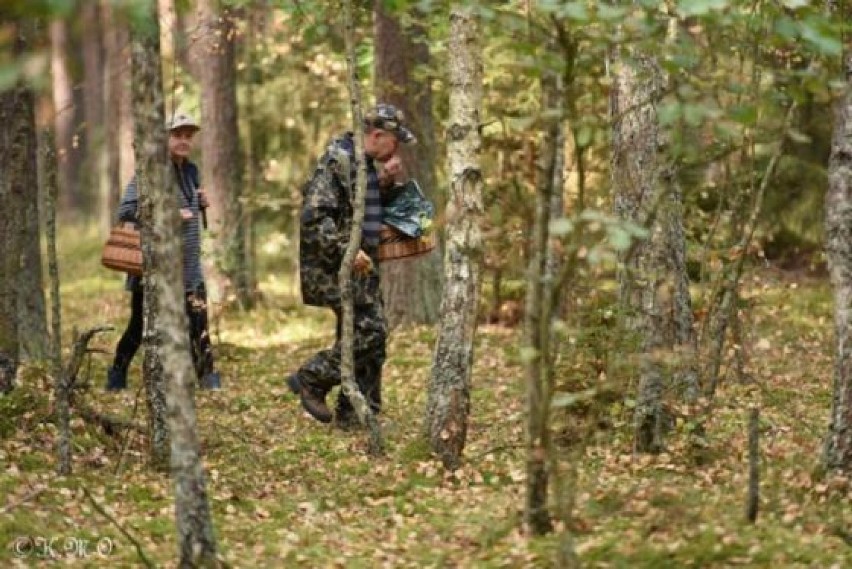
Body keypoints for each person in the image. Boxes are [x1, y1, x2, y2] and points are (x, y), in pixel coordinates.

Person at [286, 103, 416, 425]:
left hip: (362, 267)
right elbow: (314, 218)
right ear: (377, 135)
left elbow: (359, 209)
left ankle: (356, 412)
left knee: (369, 338)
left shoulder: (365, 164)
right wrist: (347, 250)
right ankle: (311, 378)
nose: (396, 148)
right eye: (394, 141)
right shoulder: (338, 159)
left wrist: (386, 183)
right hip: (338, 267)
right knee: (371, 332)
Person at [105, 111, 222, 391]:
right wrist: (168, 213)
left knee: (198, 322)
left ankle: (207, 378)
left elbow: (189, 211)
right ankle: (116, 375)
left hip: (189, 265)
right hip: (155, 265)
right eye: (177, 135)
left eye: (187, 136)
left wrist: (200, 203)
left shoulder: (191, 171)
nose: (184, 141)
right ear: (164, 139)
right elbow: (126, 212)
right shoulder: (150, 172)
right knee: (139, 327)